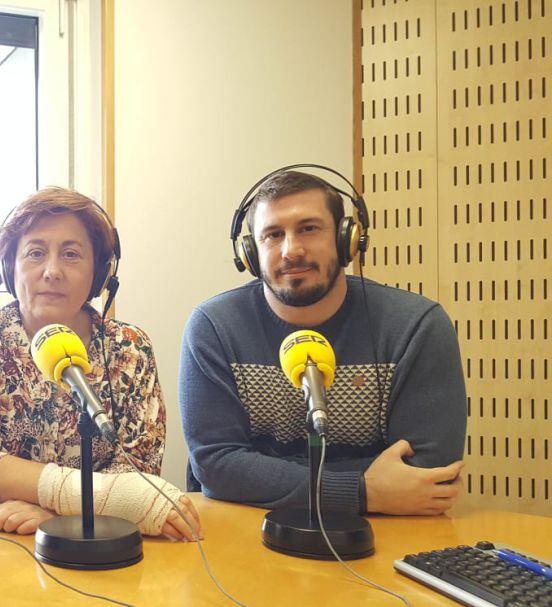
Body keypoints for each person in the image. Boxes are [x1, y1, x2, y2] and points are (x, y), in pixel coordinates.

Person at [179, 169, 466, 516]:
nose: (291, 250)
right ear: (250, 253)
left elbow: (427, 474)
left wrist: (263, 472)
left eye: (309, 229)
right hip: (248, 531)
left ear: (348, 239)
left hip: (385, 534)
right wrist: (362, 490)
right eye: (272, 235)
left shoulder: (415, 327)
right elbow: (216, 465)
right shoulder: (215, 328)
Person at [0, 187, 200, 542]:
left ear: (99, 273)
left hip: (102, 538)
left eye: (71, 254)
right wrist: (87, 498)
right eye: (35, 253)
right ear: (9, 268)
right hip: (4, 540)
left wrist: (56, 510)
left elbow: (138, 467)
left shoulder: (130, 348)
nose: (52, 271)